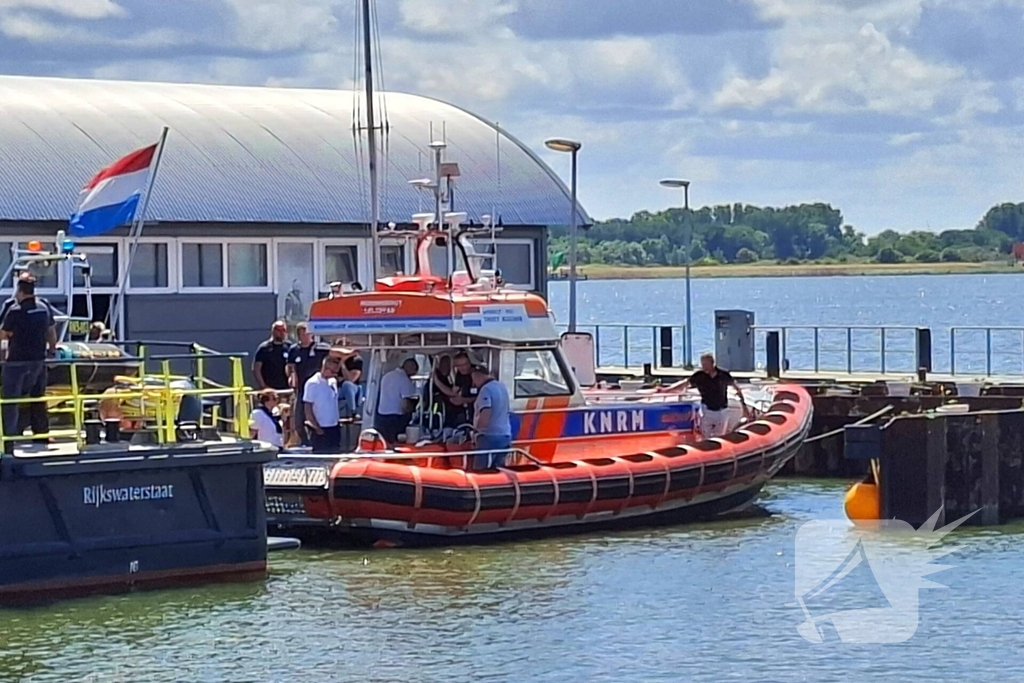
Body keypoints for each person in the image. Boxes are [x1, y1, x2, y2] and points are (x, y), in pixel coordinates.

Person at [0, 274, 57, 452]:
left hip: (17, 363)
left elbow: (3, 335)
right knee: (38, 398)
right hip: (38, 361)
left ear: (19, 290)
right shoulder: (44, 307)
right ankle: (42, 434)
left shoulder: (15, 310)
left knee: (11, 401)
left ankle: (8, 440)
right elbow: (51, 332)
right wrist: (52, 351)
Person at [669, 352, 751, 438]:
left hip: (722, 411)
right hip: (707, 410)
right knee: (705, 435)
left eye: (705, 364)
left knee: (720, 435)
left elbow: (737, 388)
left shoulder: (723, 375)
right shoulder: (699, 376)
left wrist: (744, 406)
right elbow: (685, 383)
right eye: (702, 364)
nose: (703, 366)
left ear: (712, 363)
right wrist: (668, 390)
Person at [286, 322, 328, 444]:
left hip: (317, 389)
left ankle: (319, 442)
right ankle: (305, 442)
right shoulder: (294, 350)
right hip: (301, 390)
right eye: (301, 334)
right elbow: (290, 366)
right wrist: (291, 376)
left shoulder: (319, 348)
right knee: (298, 421)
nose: (304, 336)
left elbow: (333, 355)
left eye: (306, 333)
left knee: (315, 419)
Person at [470, 364, 512, 470]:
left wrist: (475, 432)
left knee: (479, 469)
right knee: (499, 469)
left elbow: (485, 413)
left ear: (477, 376)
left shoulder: (485, 390)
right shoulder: (502, 386)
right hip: (505, 435)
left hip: (488, 436)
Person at [374, 357, 419, 444]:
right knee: (396, 442)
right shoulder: (404, 379)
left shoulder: (386, 376)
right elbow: (406, 403)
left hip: (381, 414)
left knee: (384, 442)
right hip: (396, 417)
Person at [303, 357, 341, 453]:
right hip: (321, 427)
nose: (335, 375)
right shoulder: (312, 383)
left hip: (334, 426)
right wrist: (317, 428)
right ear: (325, 369)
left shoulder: (333, 381)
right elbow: (308, 407)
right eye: (333, 372)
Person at [253, 320, 291, 391]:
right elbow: (256, 369)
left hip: (287, 389)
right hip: (269, 389)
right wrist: (263, 386)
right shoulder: (264, 348)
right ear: (273, 331)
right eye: (279, 330)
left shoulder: (289, 347)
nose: (281, 333)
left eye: (283, 330)